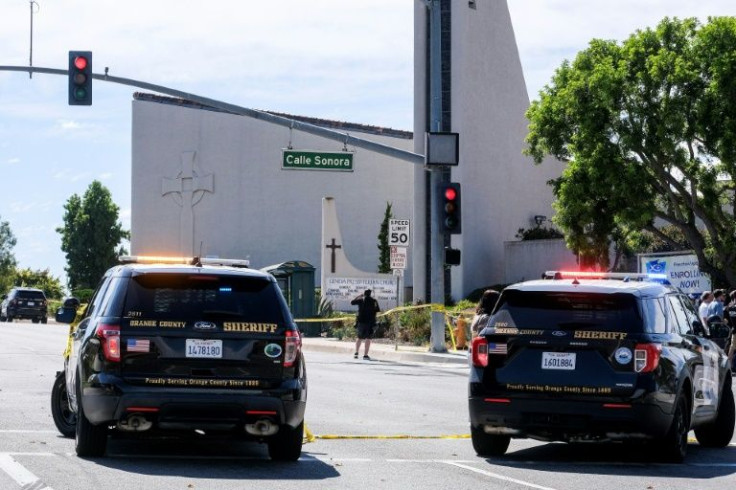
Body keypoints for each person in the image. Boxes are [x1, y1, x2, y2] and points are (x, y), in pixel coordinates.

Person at [351, 289, 380, 360]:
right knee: (368, 338)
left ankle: (356, 352)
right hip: (370, 322)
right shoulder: (374, 301)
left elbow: (352, 302)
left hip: (361, 322)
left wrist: (358, 296)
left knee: (359, 337)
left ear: (364, 294)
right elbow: (377, 310)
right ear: (370, 294)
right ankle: (365, 355)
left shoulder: (361, 300)